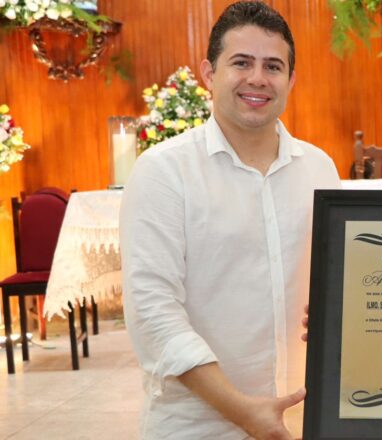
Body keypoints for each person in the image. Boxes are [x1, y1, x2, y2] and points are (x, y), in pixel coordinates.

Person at [120, 2, 340, 438]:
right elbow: (152, 312)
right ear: (209, 72)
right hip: (197, 424)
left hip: (304, 414)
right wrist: (241, 410)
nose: (257, 78)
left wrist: (341, 310)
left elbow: (339, 283)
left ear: (291, 80)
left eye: (273, 66)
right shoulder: (165, 171)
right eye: (241, 62)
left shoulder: (320, 168)